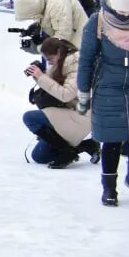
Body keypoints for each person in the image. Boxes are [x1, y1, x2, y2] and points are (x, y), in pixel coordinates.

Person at [77, 0, 129, 207]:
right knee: (111, 140)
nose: (125, 16)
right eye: (122, 11)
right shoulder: (97, 23)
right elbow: (86, 60)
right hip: (108, 86)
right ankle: (109, 188)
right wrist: (83, 94)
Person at [22, 37, 96, 168]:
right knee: (39, 156)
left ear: (59, 52)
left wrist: (41, 76)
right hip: (68, 112)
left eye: (50, 59)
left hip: (81, 115)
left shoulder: (76, 65)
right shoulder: (61, 63)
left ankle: (66, 152)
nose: (49, 62)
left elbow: (66, 95)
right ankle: (87, 145)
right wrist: (39, 74)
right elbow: (53, 85)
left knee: (29, 117)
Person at [12, 0, 86, 48]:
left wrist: (40, 47)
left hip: (79, 42)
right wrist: (36, 26)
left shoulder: (56, 3)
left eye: (31, 16)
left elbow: (64, 35)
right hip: (71, 41)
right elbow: (41, 14)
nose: (32, 18)